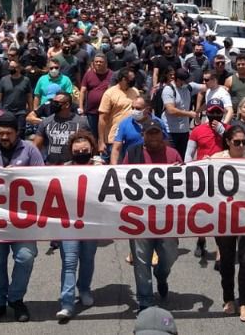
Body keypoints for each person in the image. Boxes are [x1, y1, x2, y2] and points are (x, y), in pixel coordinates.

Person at [0, 112, 44, 322]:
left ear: (17, 133)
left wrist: (20, 176)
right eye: (0, 133)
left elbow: (43, 180)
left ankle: (16, 299)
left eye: (8, 134)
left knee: (25, 257)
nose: (4, 137)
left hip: (23, 220)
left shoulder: (30, 151)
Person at [123, 122, 182, 312]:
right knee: (141, 261)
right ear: (144, 135)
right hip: (139, 217)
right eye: (150, 135)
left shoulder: (172, 154)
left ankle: (161, 275)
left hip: (167, 217)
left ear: (163, 135)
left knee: (170, 255)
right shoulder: (133, 154)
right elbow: (121, 179)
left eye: (157, 135)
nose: (154, 139)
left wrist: (180, 172)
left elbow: (187, 184)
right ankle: (145, 300)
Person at [212, 125, 245, 322]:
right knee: (227, 261)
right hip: (223, 217)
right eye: (236, 142)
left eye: (243, 142)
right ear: (228, 142)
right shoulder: (216, 160)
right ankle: (229, 298)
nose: (241, 145)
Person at [56, 130, 101, 321]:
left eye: (85, 149)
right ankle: (66, 303)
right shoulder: (63, 169)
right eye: (77, 150)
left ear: (91, 149)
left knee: (88, 259)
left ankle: (84, 289)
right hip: (69, 223)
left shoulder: (102, 168)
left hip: (92, 222)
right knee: (69, 262)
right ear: (71, 151)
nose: (81, 152)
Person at [185, 98, 227, 260]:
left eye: (218, 112)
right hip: (202, 177)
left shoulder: (229, 130)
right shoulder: (197, 131)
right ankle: (201, 239)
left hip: (223, 179)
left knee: (221, 215)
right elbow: (189, 153)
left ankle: (219, 252)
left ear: (223, 113)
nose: (215, 115)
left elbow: (236, 148)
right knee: (203, 212)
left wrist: (224, 133)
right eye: (212, 112)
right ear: (206, 113)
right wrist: (188, 171)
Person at [111, 96, 167, 165]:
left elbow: (166, 144)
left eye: (138, 108)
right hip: (131, 164)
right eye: (132, 108)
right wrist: (114, 168)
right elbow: (116, 148)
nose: (134, 111)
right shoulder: (124, 124)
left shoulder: (158, 123)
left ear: (147, 109)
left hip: (154, 164)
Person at [33, 92, 87, 164]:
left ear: (67, 104)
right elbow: (36, 147)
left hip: (73, 166)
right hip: (51, 166)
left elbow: (88, 146)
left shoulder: (81, 122)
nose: (53, 104)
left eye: (56, 103)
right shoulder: (46, 122)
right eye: (53, 102)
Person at [98, 65, 139, 158]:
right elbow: (102, 118)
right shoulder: (109, 93)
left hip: (131, 137)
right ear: (123, 79)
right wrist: (101, 141)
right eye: (130, 79)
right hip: (114, 138)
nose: (133, 81)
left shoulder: (135, 91)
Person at [161, 67, 200, 159]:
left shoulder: (188, 87)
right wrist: (189, 114)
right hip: (170, 132)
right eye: (185, 81)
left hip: (184, 131)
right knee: (171, 158)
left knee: (182, 158)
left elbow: (207, 86)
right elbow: (170, 110)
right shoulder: (168, 90)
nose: (187, 83)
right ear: (178, 80)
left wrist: (221, 87)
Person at [78, 52, 112, 137]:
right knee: (92, 134)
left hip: (107, 111)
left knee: (105, 134)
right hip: (91, 112)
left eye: (101, 62)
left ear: (106, 63)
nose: (98, 63)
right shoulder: (88, 74)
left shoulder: (112, 75)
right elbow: (82, 91)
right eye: (96, 61)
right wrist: (81, 108)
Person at [0, 59, 33, 136]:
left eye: (13, 67)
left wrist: (30, 111)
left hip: (21, 112)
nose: (11, 69)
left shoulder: (26, 80)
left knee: (20, 133)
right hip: (6, 111)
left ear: (19, 68)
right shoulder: (4, 80)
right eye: (10, 67)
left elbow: (29, 97)